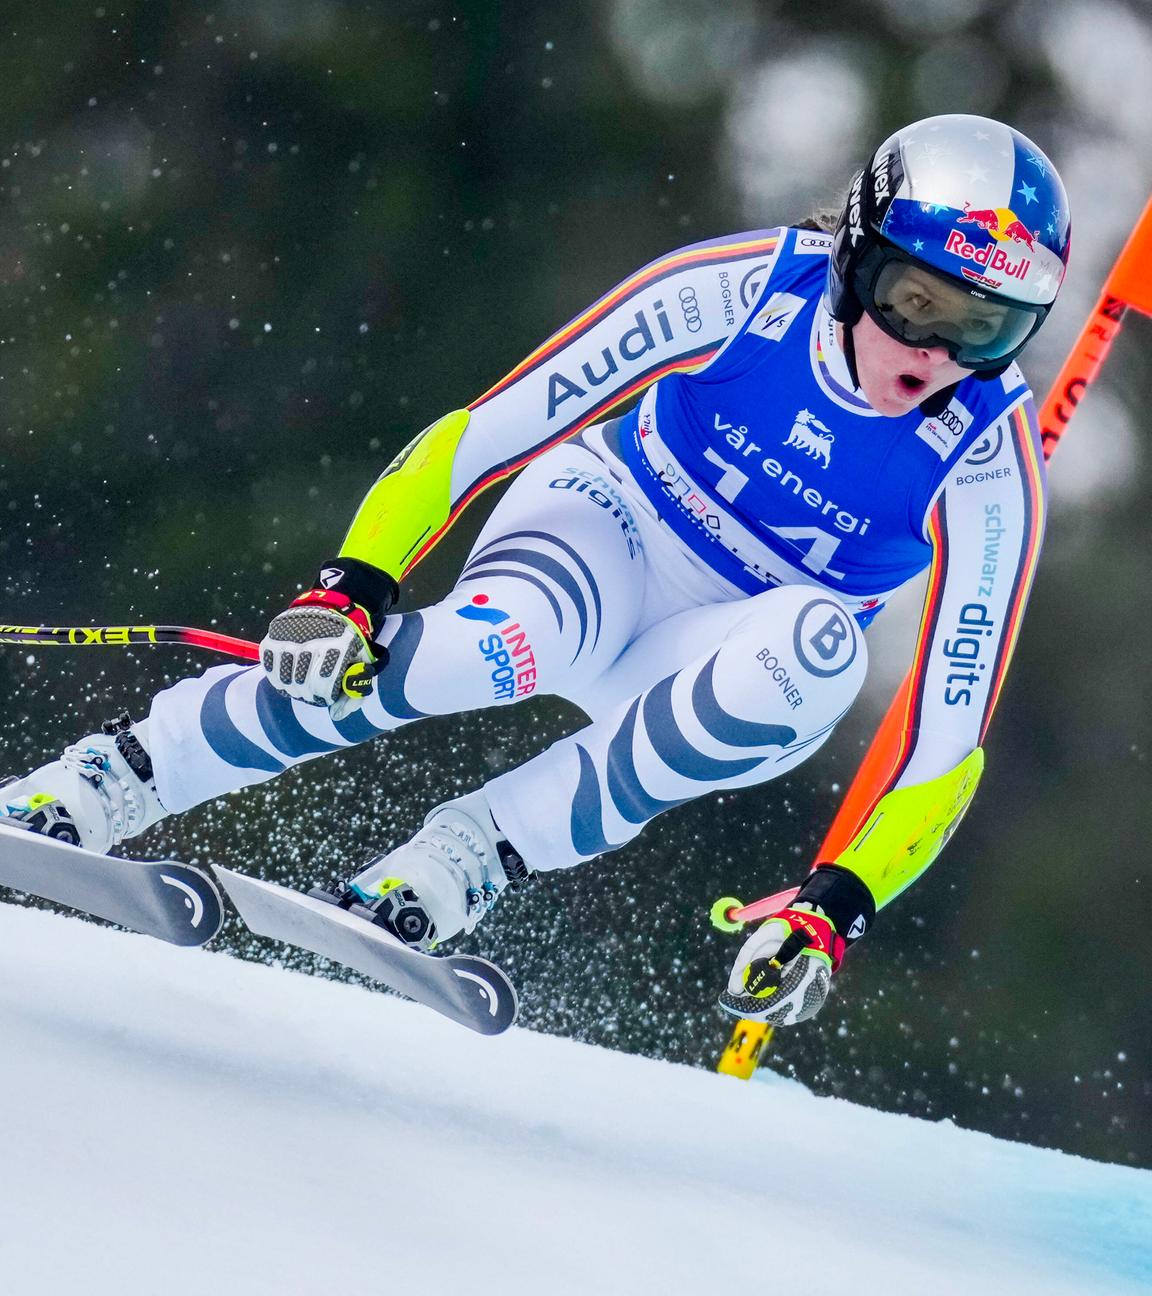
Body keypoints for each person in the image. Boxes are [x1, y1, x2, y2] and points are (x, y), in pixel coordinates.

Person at [1, 113, 1070, 1028]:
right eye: (915, 303)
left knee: (821, 656)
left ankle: (457, 864)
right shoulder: (744, 289)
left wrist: (835, 908)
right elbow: (483, 435)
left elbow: (946, 744)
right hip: (609, 530)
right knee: (500, 647)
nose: (932, 357)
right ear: (855, 256)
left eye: (987, 330)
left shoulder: (989, 459)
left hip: (720, 650)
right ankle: (114, 779)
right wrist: (356, 585)